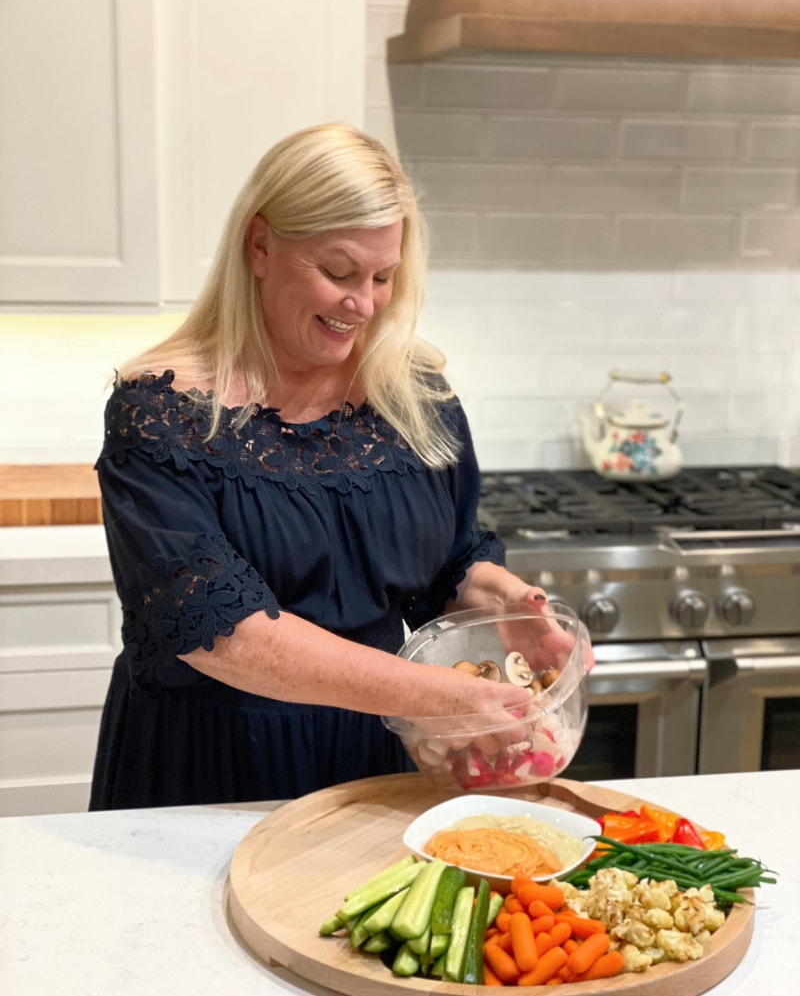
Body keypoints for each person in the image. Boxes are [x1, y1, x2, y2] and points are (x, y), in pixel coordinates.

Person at [89, 122, 579, 810]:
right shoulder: (162, 412)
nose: (365, 303)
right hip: (208, 769)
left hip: (372, 765)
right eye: (339, 272)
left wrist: (504, 602)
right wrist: (438, 694)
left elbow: (447, 561)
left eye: (384, 276)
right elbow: (222, 633)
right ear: (260, 245)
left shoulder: (414, 394)